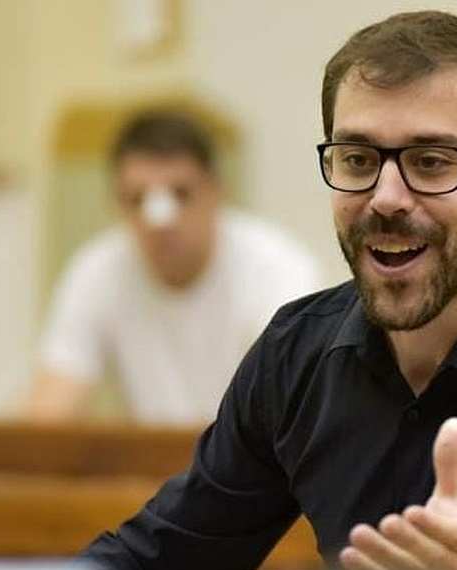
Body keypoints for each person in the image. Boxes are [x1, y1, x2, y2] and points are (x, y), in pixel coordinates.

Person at [81, 11, 457, 570]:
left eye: (430, 161)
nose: (386, 197)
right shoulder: (296, 354)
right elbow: (159, 557)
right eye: (358, 158)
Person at [28, 111, 321, 426]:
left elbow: (285, 410)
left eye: (181, 194)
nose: (160, 221)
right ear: (116, 203)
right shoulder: (96, 272)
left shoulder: (279, 269)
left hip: (248, 455)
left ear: (217, 190)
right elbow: (50, 411)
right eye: (138, 199)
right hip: (151, 457)